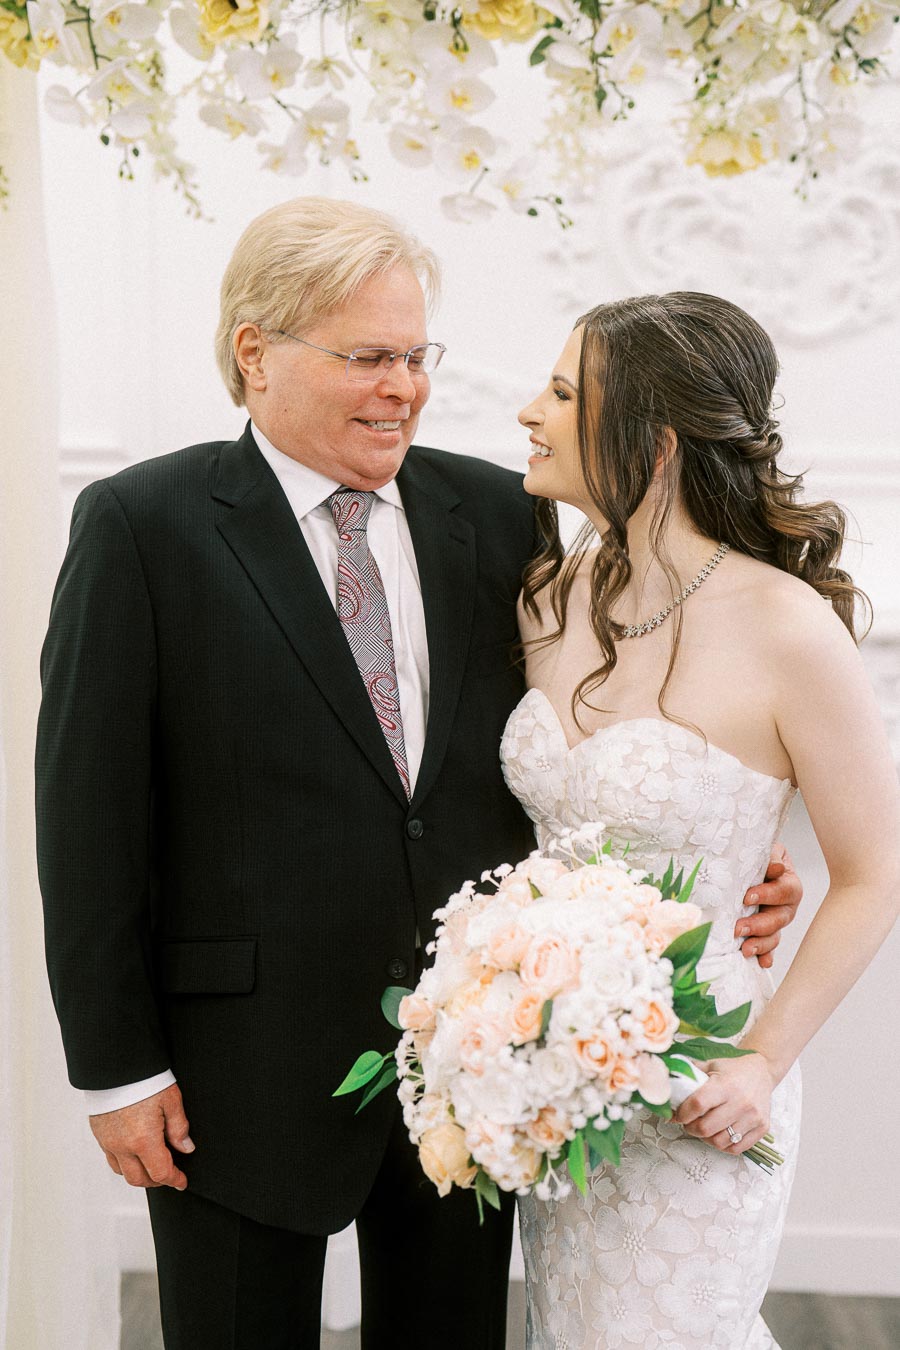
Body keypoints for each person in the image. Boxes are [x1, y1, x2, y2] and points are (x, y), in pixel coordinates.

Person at [35, 202, 800, 1349]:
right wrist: (114, 1071)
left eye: (414, 356)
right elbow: (87, 822)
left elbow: (600, 728)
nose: (404, 386)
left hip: (483, 1070)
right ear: (256, 351)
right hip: (230, 1071)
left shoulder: (503, 515)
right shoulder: (142, 525)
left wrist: (727, 863)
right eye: (367, 358)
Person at [503, 290, 900, 1348]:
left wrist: (762, 1064)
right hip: (560, 1080)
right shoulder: (547, 594)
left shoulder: (789, 627)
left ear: (655, 439)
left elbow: (876, 871)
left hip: (703, 1076)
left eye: (558, 391)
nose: (525, 412)